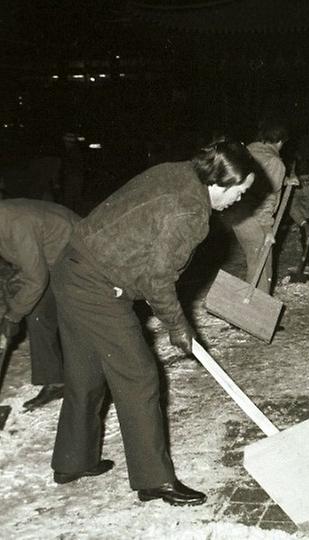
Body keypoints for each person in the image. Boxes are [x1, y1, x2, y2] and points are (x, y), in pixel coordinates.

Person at [50, 140, 257, 506]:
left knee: (86, 370)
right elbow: (157, 281)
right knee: (139, 375)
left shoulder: (177, 170)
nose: (239, 201)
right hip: (95, 285)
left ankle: (72, 460)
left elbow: (141, 242)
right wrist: (177, 326)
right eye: (239, 192)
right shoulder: (190, 213)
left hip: (71, 266)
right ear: (219, 184)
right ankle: (154, 480)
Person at [0, 199, 79, 410]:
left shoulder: (16, 224)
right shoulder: (5, 221)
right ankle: (55, 381)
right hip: (54, 260)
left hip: (79, 258)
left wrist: (12, 315)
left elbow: (37, 279)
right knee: (34, 311)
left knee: (47, 311)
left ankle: (92, 376)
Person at [222, 119, 288, 293]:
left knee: (254, 257)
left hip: (233, 212)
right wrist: (267, 228)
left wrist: (286, 180)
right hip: (252, 216)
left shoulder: (249, 149)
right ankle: (256, 310)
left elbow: (257, 179)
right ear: (280, 141)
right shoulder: (275, 162)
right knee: (262, 259)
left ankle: (251, 303)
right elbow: (267, 198)